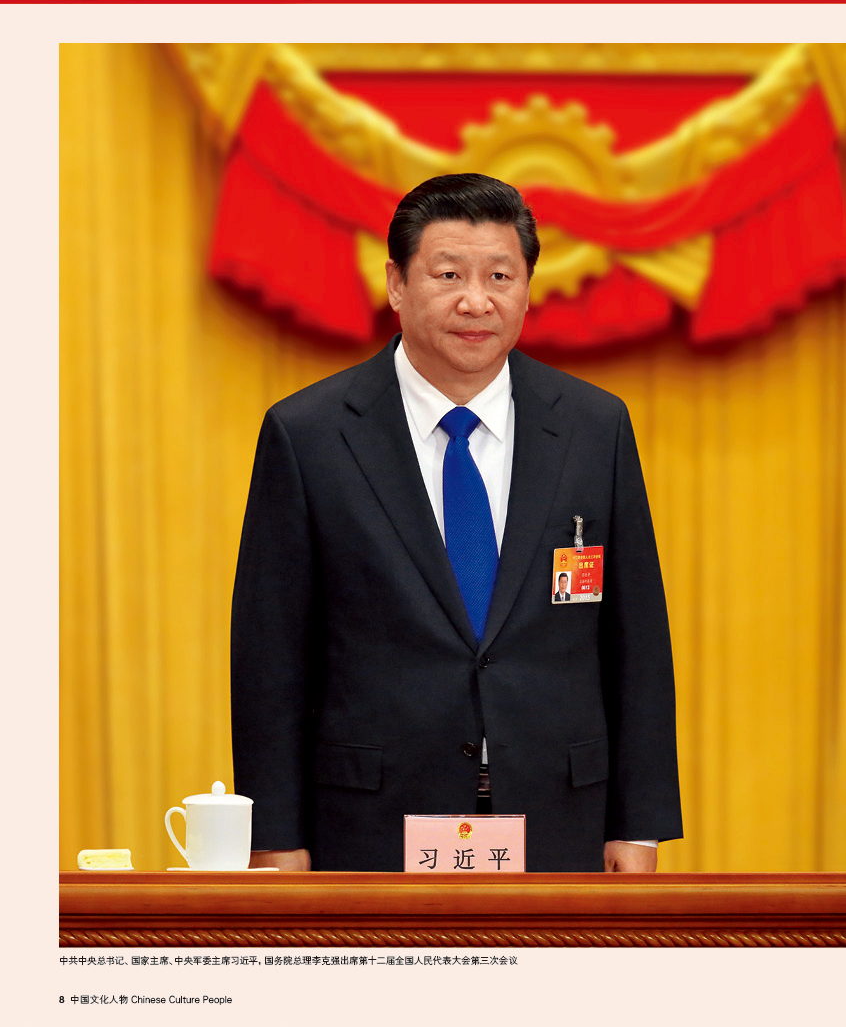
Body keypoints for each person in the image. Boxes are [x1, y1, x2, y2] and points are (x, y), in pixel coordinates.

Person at [231, 173, 682, 873]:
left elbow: (637, 641)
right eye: (448, 275)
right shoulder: (309, 435)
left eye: (500, 276)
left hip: (560, 814)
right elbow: (271, 657)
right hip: (368, 820)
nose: (477, 300)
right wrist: (274, 838)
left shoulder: (595, 427)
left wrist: (640, 826)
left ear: (527, 287)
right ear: (397, 284)